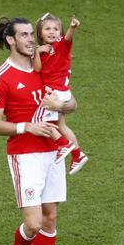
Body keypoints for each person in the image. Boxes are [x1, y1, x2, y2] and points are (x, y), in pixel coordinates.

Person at [0, 16, 77, 245]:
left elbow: (71, 104)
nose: (30, 39)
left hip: (53, 153)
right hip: (25, 155)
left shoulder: (46, 62)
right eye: (23, 35)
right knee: (34, 223)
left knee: (50, 219)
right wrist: (28, 126)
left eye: (30, 34)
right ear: (11, 40)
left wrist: (61, 105)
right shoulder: (1, 78)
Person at [32, 12, 89, 175]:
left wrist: (72, 27)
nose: (52, 31)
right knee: (60, 125)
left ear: (60, 32)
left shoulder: (61, 44)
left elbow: (68, 38)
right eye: (47, 28)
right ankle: (78, 155)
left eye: (56, 29)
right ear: (40, 33)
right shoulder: (40, 50)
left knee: (42, 122)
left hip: (55, 93)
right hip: (59, 91)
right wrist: (37, 52)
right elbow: (37, 68)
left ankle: (65, 144)